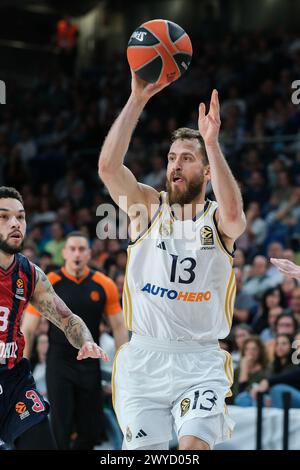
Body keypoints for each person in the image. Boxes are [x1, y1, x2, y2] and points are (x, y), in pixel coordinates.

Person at [98, 72, 246, 450]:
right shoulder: (147, 208)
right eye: (172, 157)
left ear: (207, 171)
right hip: (145, 358)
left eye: (187, 159)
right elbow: (109, 169)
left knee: (193, 449)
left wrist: (211, 143)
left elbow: (236, 216)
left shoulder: (217, 221)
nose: (176, 165)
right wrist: (136, 99)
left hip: (199, 361)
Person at [0, 187, 108, 450]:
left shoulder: (30, 274)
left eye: (21, 217)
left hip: (14, 381)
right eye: (4, 217)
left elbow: (68, 320)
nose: (15, 223)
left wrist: (85, 341)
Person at [22, 231, 128, 449]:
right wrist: (22, 368)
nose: (77, 254)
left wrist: (123, 365)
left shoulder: (104, 284)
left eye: (82, 249)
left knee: (90, 431)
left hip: (90, 365)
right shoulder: (50, 282)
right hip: (59, 364)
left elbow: (118, 326)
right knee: (60, 429)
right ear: (64, 253)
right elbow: (29, 329)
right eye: (72, 249)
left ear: (89, 254)